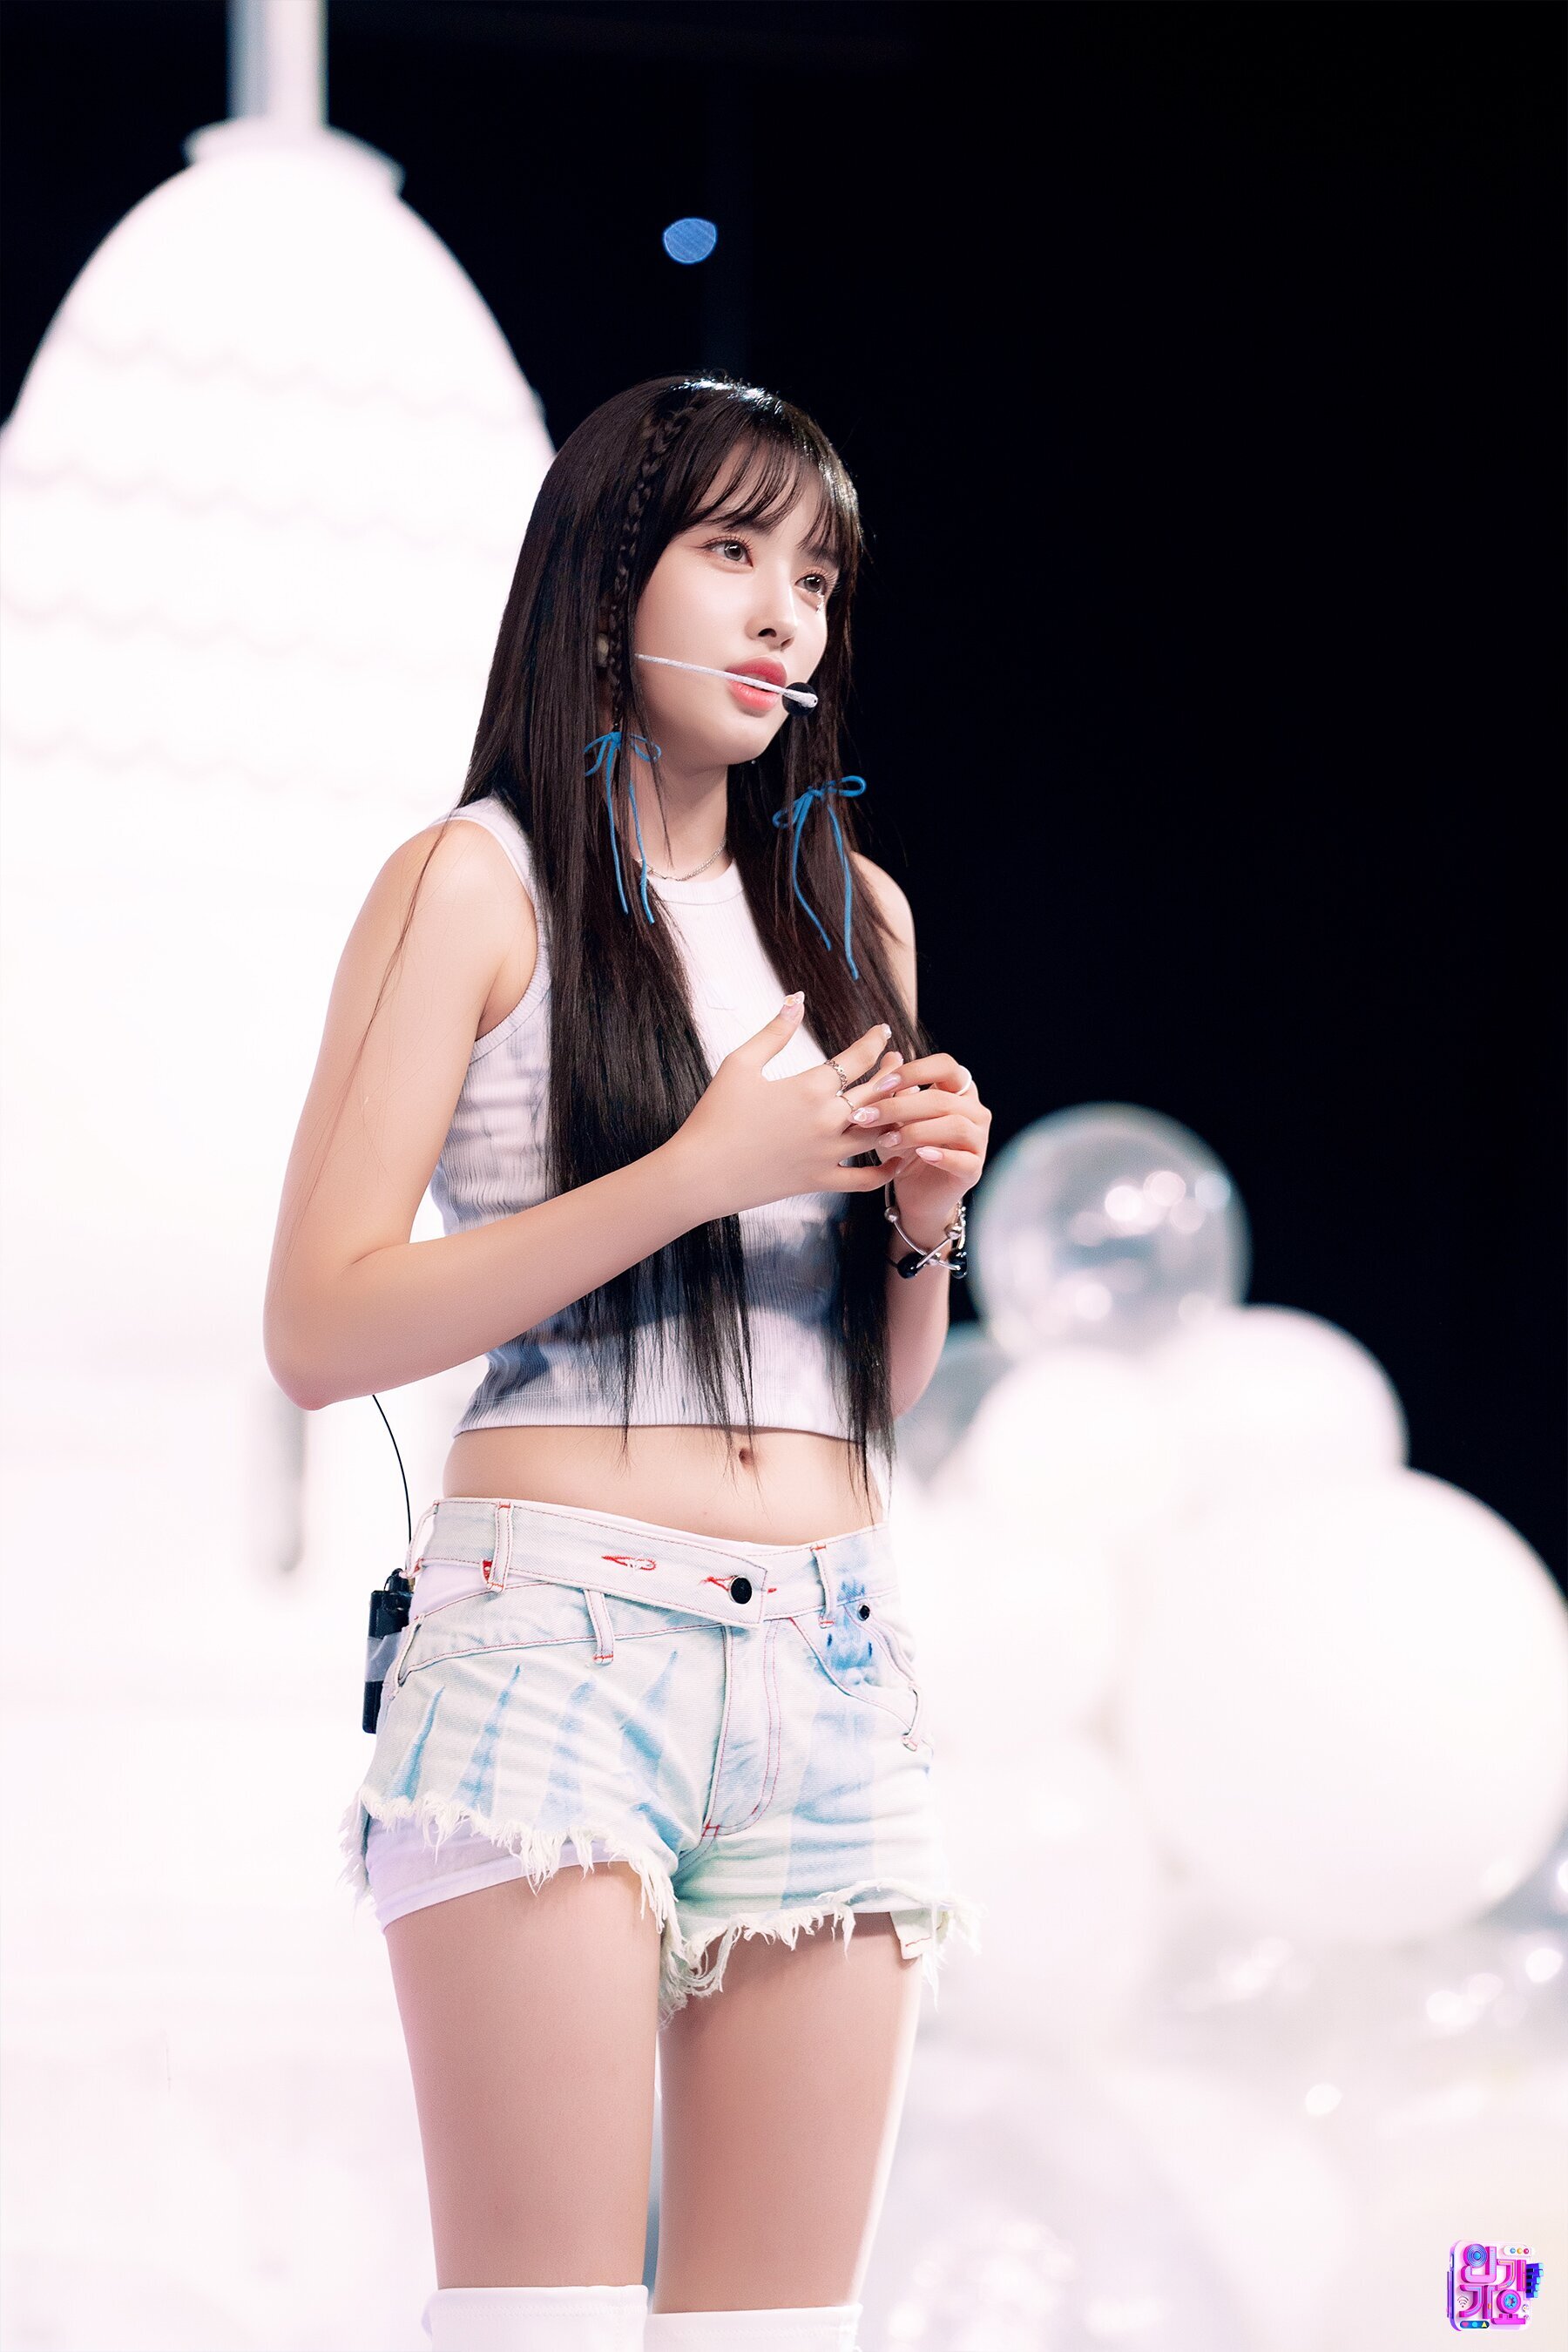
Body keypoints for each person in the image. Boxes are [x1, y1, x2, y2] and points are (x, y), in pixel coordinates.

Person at [264, 375, 992, 2352]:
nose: (784, 618)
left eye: (816, 578)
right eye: (733, 553)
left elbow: (873, 1398)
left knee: (780, 2336)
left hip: (835, 1654)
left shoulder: (854, 917)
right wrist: (695, 1172)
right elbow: (320, 1327)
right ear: (607, 581)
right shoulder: (472, 883)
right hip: (552, 1647)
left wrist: (925, 1222)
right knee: (547, 2326)